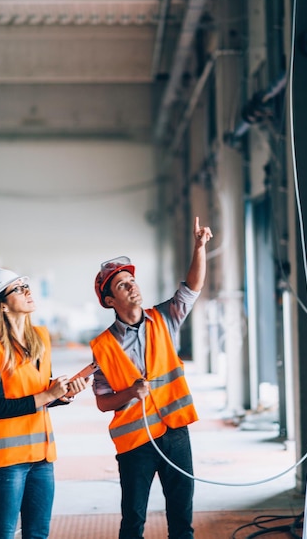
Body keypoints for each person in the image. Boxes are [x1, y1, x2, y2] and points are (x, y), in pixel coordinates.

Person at [91, 216, 213, 539]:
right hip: (135, 444)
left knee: (181, 522)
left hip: (175, 434)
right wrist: (131, 392)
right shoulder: (103, 346)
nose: (132, 287)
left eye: (132, 281)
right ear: (109, 301)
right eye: (122, 286)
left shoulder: (163, 319)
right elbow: (103, 402)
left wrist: (199, 248)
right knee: (133, 523)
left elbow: (192, 288)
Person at [0, 267, 89, 539]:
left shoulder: (41, 339)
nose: (27, 291)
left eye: (26, 285)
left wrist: (62, 393)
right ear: (1, 304)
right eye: (18, 288)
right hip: (6, 462)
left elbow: (38, 392)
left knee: (37, 534)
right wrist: (48, 395)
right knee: (3, 534)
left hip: (42, 457)